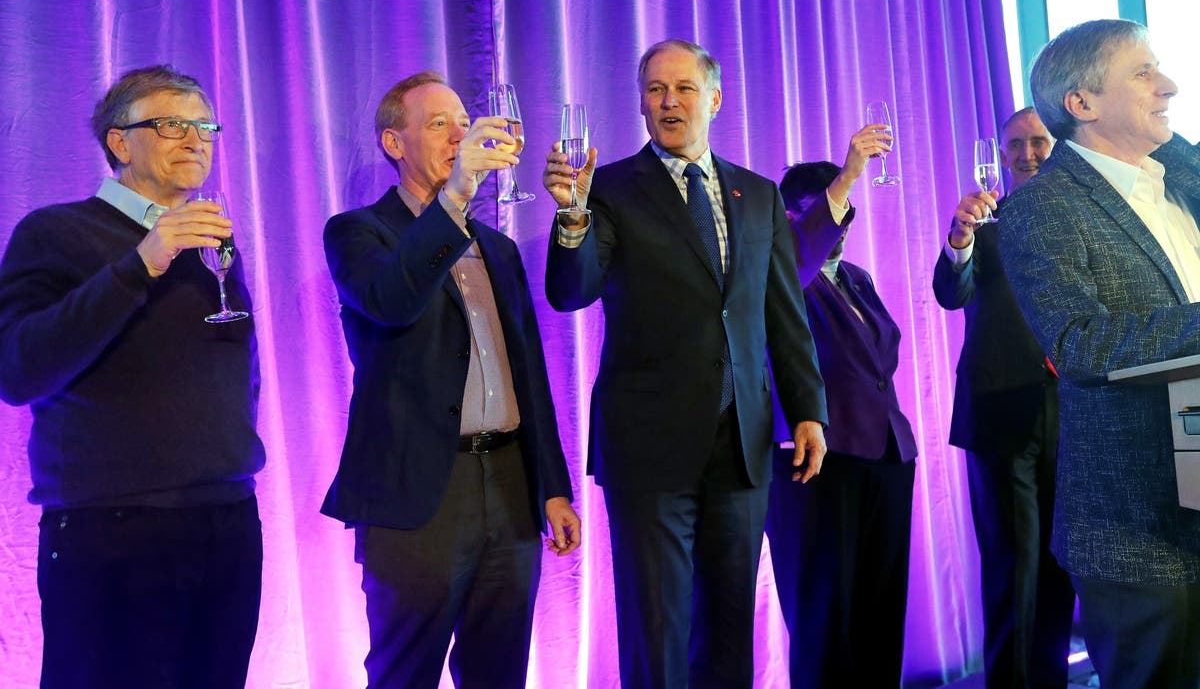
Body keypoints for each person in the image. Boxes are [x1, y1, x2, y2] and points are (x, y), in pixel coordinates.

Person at [542, 39, 828, 688]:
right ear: (641, 103)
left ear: (715, 99)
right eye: (654, 89)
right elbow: (571, 291)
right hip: (650, 447)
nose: (669, 101)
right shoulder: (608, 187)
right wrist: (573, 215)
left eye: (684, 88)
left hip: (744, 442)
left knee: (731, 624)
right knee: (659, 626)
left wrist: (808, 410)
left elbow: (782, 314)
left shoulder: (755, 194)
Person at [0, 65, 266, 689]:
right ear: (120, 142)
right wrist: (142, 261)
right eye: (172, 124)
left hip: (227, 517)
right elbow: (17, 370)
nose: (196, 138)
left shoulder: (212, 240)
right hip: (112, 527)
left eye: (204, 125)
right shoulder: (55, 231)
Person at [321, 71, 581, 689]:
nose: (461, 135)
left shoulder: (497, 246)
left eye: (464, 123)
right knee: (404, 669)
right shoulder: (358, 232)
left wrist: (551, 486)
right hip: (420, 493)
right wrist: (456, 195)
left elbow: (531, 378)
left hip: (511, 483)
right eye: (439, 124)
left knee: (500, 668)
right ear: (394, 143)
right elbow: (392, 301)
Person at [999, 19, 1200, 688]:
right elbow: (1078, 343)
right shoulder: (1042, 207)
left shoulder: (1182, 177)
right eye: (1143, 72)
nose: (1168, 85)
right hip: (1141, 529)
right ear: (1080, 103)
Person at [767, 128, 919, 689]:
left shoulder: (858, 277)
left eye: (841, 211)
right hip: (816, 463)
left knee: (880, 609)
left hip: (885, 456)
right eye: (819, 211)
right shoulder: (777, 275)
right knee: (822, 616)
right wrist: (850, 172)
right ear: (786, 217)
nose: (836, 225)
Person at [932, 107, 1075, 689]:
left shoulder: (1081, 222)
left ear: (1058, 144)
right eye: (1014, 144)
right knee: (1012, 568)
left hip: (1074, 413)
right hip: (999, 413)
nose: (1027, 154)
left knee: (1061, 561)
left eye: (1037, 141)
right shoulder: (984, 224)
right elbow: (948, 292)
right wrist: (960, 239)